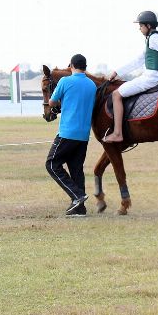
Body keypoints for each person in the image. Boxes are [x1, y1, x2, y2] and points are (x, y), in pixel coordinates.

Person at [102, 11, 158, 144]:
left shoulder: (154, 39)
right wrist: (117, 72)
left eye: (141, 26)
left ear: (148, 25)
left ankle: (117, 133)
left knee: (116, 94)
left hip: (151, 77)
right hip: (151, 76)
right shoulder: (152, 39)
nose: (139, 28)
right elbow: (138, 61)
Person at [46, 54, 95, 217]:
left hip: (67, 132)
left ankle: (77, 196)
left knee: (52, 164)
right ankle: (80, 209)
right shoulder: (92, 85)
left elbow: (52, 102)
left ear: (71, 66)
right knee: (76, 169)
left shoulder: (65, 81)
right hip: (83, 135)